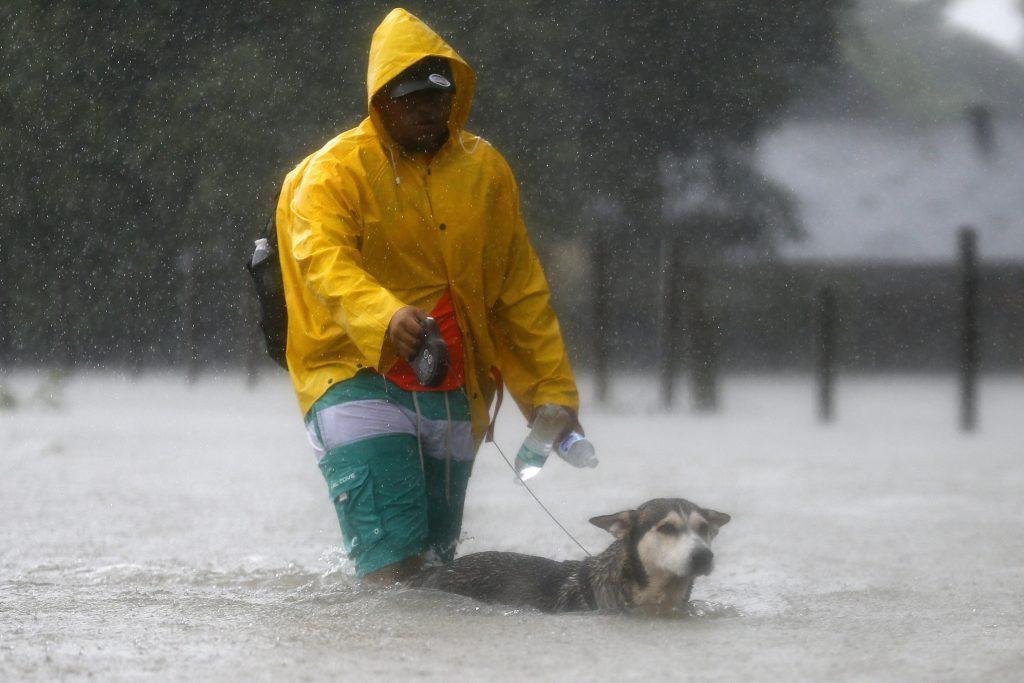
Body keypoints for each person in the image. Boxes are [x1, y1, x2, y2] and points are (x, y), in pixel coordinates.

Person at [275, 8, 580, 584]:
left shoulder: (487, 170)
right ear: (381, 101)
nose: (427, 110)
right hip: (351, 376)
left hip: (454, 386)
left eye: (438, 97)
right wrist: (385, 317)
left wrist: (550, 393)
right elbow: (323, 262)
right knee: (394, 573)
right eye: (411, 99)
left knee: (437, 580)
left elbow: (519, 291)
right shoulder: (333, 172)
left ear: (455, 95)